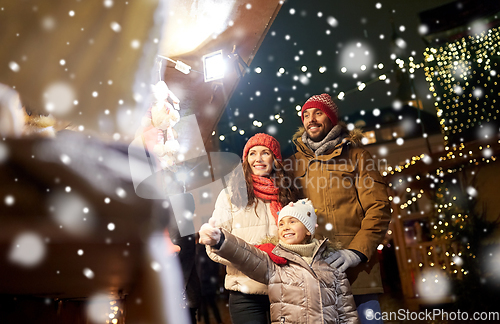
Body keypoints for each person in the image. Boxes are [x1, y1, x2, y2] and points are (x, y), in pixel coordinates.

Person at [285, 94, 391, 323]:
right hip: (314, 273)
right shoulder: (292, 165)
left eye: (318, 113)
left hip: (357, 273)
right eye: (306, 114)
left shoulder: (357, 156)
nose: (311, 119)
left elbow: (378, 208)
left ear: (332, 118)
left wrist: (357, 252)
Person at [199, 198, 360, 324]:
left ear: (308, 230)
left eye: (293, 221)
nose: (285, 227)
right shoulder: (276, 263)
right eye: (281, 223)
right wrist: (221, 239)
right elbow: (246, 255)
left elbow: (347, 311)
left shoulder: (331, 264)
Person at [207, 133, 299, 324]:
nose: (258, 159)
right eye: (252, 153)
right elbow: (214, 248)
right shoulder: (230, 195)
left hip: (285, 291)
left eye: (265, 153)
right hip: (245, 292)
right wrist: (251, 258)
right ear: (246, 160)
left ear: (275, 159)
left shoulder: (289, 194)